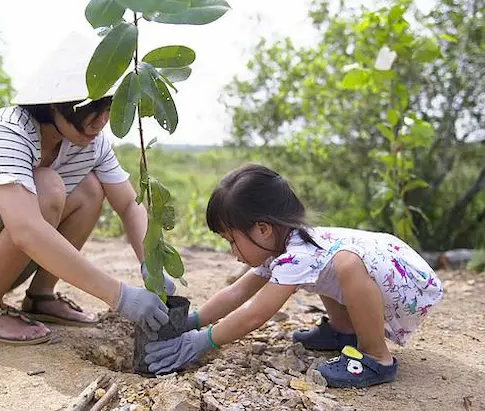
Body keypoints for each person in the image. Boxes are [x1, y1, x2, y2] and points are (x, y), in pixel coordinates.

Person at [0, 33, 174, 345]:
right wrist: (120, 296)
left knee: (90, 189)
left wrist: (151, 264)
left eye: (108, 108)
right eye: (90, 109)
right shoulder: (9, 131)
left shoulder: (93, 144)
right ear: (55, 103)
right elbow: (25, 231)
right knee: (47, 186)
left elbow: (128, 205)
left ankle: (41, 297)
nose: (101, 122)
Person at [144, 164, 443, 388]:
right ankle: (345, 331)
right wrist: (193, 321)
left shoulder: (299, 254)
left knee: (346, 264)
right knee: (331, 268)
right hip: (394, 274)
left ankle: (377, 358)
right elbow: (237, 292)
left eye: (232, 240)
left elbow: (254, 314)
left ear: (262, 228)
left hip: (409, 288)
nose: (233, 252)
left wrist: (199, 342)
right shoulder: (284, 246)